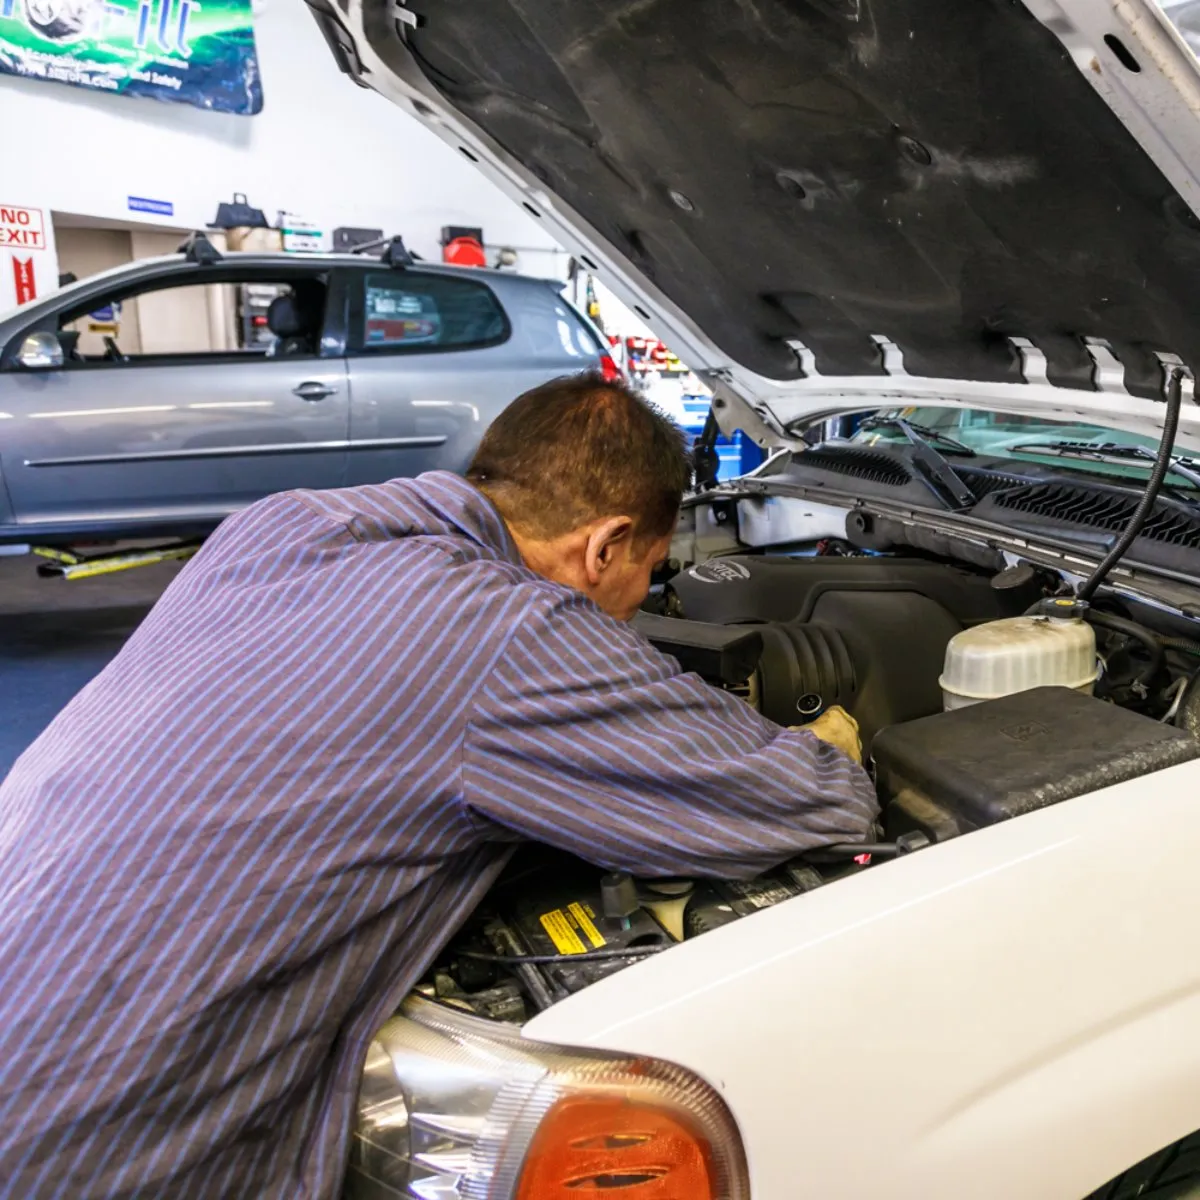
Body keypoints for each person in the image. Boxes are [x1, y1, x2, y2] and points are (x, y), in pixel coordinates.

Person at [0, 373, 877, 1198]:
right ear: (606, 544)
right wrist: (838, 736)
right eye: (648, 573)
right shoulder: (511, 634)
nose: (643, 600)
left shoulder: (281, 526)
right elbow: (817, 802)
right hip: (90, 1144)